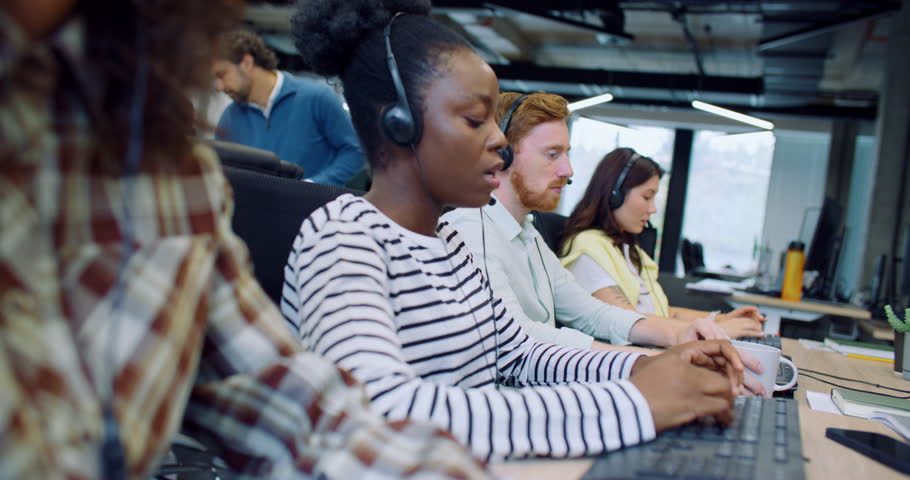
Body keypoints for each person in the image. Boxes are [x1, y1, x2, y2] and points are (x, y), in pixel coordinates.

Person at [0, 1, 493, 478]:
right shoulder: (332, 231)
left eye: (222, 76)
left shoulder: (166, 176)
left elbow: (300, 418)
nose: (215, 87)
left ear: (247, 61)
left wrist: (305, 190)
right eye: (475, 120)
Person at [282, 0, 755, 462]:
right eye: (474, 120)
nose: (499, 142)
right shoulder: (342, 239)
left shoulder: (447, 246)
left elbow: (522, 351)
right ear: (399, 124)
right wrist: (633, 401)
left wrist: (645, 366)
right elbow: (378, 416)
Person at [443, 92, 763, 354]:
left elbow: (591, 312)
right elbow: (518, 337)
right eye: (552, 154)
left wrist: (680, 337)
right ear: (503, 155)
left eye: (566, 154)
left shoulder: (529, 236)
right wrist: (645, 360)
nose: (568, 170)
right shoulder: (471, 230)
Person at [559, 148, 766, 336]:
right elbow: (628, 321)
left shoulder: (628, 250)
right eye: (647, 197)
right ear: (615, 194)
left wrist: (722, 319)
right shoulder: (588, 249)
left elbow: (664, 313)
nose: (653, 209)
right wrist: (718, 330)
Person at [212, 29, 365, 185]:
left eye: (221, 75)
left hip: (315, 206)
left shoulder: (317, 98)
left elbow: (356, 151)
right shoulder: (229, 117)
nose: (218, 86)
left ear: (247, 63)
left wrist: (314, 185)